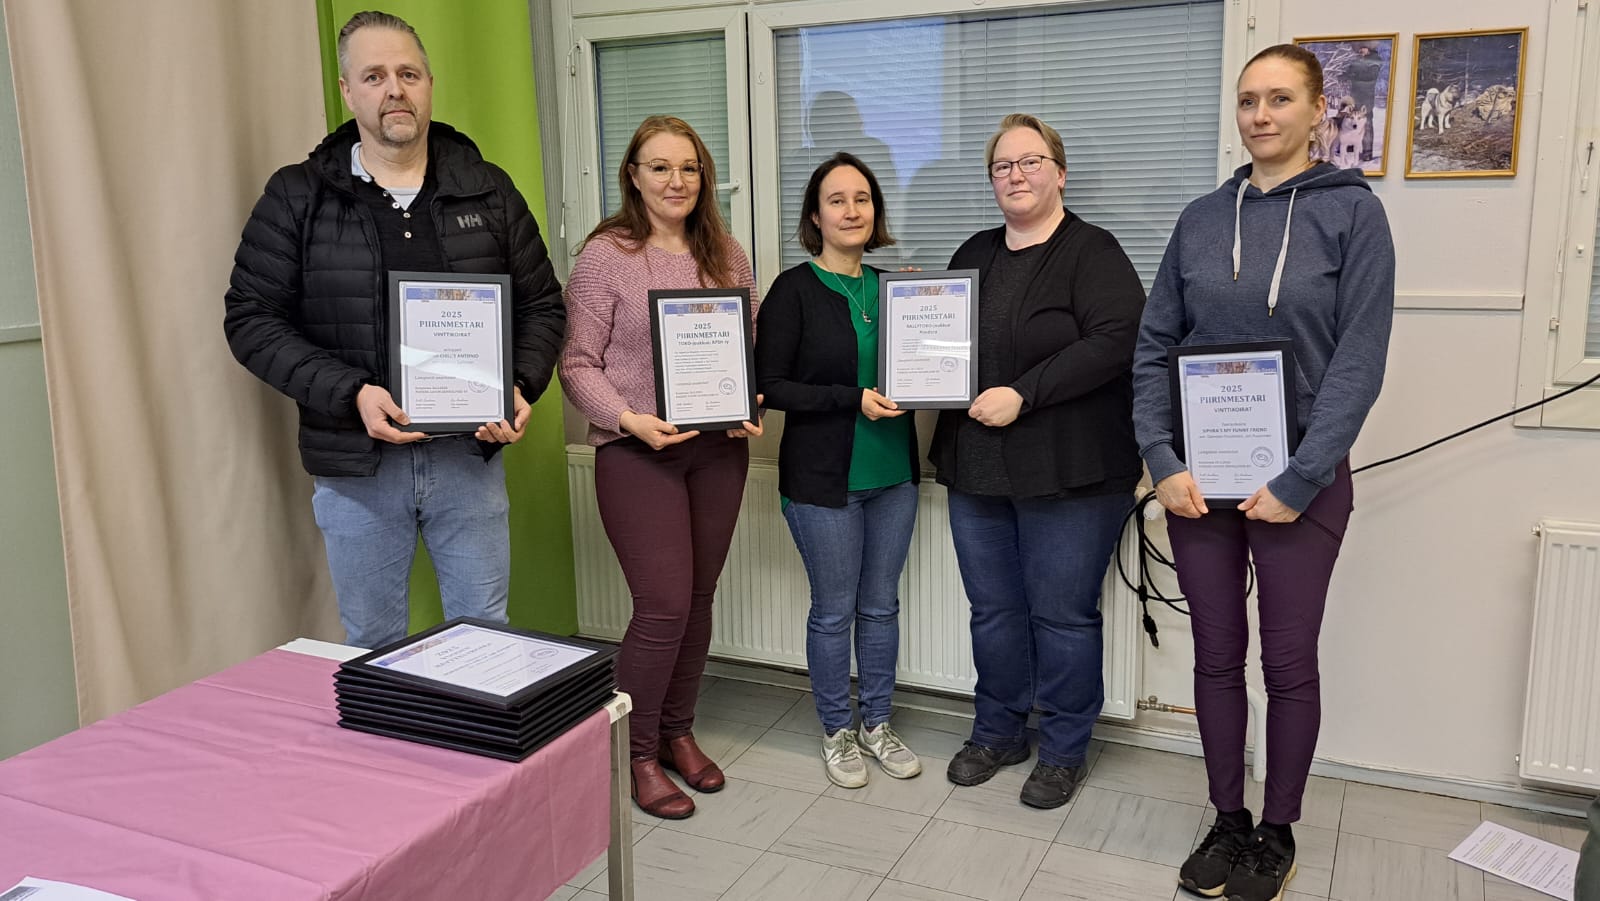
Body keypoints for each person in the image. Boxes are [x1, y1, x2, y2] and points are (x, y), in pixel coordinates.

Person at [1132, 44, 1394, 901]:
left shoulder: (1354, 215)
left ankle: (1276, 828)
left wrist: (1302, 476)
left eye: (1280, 98)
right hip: (1198, 484)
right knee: (1216, 656)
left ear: (1318, 110)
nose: (1261, 115)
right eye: (1248, 100)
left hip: (1300, 486)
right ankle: (1227, 817)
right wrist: (1162, 459)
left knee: (1287, 662)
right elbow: (1154, 347)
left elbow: (1359, 359)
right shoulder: (1201, 219)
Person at [223, 11, 565, 651]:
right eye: (374, 76)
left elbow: (543, 305)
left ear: (430, 84)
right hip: (357, 465)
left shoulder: (488, 191)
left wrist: (519, 385)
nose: (394, 90)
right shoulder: (298, 196)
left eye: (408, 74)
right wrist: (351, 392)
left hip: (468, 457)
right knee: (373, 644)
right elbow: (251, 318)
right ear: (348, 91)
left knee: (485, 636)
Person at [933, 114, 1145, 809]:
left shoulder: (1093, 251)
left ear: (1060, 172)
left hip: (1072, 474)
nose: (1016, 175)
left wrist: (1024, 394)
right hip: (977, 468)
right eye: (1002, 166)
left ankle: (1062, 749)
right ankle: (997, 731)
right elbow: (941, 342)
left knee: (1062, 616)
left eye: (1030, 162)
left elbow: (1118, 339)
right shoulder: (974, 251)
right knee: (993, 612)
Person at [560, 115, 761, 820]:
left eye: (689, 167)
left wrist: (746, 400)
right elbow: (576, 364)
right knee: (663, 605)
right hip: (638, 452)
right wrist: (627, 418)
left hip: (717, 451)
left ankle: (677, 731)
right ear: (634, 176)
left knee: (699, 599)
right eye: (660, 167)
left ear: (704, 176)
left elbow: (745, 351)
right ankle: (635, 752)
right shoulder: (606, 256)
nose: (677, 180)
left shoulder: (728, 254)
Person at [755, 153, 922, 789]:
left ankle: (877, 723)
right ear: (815, 216)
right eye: (836, 200)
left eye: (862, 198)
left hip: (894, 476)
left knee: (880, 607)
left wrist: (930, 313)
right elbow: (771, 385)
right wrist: (850, 398)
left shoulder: (896, 289)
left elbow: (929, 366)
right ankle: (837, 730)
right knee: (833, 612)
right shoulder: (793, 290)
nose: (852, 211)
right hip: (824, 482)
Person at [1345, 44, 1382, 163]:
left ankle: (1367, 152)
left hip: (1367, 96)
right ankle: (1350, 147)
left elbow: (1371, 76)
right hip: (1354, 95)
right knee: (1350, 120)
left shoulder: (1375, 60)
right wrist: (1345, 75)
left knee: (1367, 123)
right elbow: (1348, 73)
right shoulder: (1356, 60)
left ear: (1369, 48)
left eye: (1363, 48)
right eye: (1359, 48)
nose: (1361, 50)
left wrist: (1355, 75)